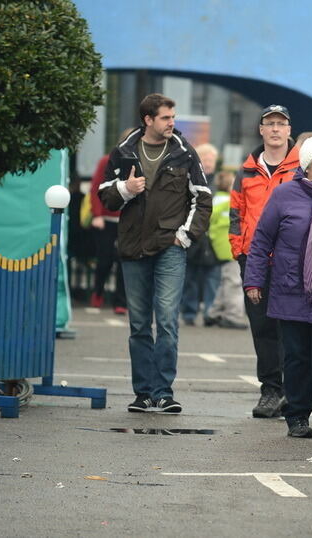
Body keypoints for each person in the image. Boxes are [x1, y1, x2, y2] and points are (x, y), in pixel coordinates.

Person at [98, 93, 212, 414]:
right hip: (133, 246)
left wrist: (184, 236)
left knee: (166, 320)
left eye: (173, 117)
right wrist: (125, 189)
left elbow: (202, 197)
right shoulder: (123, 152)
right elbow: (103, 195)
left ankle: (163, 391)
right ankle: (143, 392)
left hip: (169, 247)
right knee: (138, 324)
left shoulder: (184, 152)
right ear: (148, 119)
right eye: (165, 118)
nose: (171, 123)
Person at [243, 137, 312, 439]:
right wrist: (253, 280)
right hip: (290, 290)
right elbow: (261, 241)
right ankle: (297, 418)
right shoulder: (284, 195)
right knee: (295, 357)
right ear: (306, 166)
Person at [231, 104, 301, 418]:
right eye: (269, 123)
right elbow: (235, 213)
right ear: (261, 129)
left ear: (289, 130)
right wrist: (238, 249)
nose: (275, 129)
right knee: (262, 327)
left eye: (280, 124)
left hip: (291, 260)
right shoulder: (246, 170)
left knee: (290, 327)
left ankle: (293, 391)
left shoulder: (303, 167)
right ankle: (270, 390)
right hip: (254, 259)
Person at [180, 143, 222, 326]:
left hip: (214, 238)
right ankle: (189, 313)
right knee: (191, 277)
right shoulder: (192, 180)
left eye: (212, 159)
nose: (209, 162)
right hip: (195, 234)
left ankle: (209, 312)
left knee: (212, 277)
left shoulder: (221, 181)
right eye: (205, 159)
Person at [205, 169, 248, 329]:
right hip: (231, 247)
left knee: (225, 280)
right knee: (234, 282)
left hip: (219, 247)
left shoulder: (216, 200)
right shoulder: (229, 201)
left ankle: (213, 313)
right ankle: (233, 315)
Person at [89, 152, 127, 314]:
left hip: (127, 220)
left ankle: (121, 302)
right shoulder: (107, 160)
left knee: (125, 261)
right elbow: (96, 187)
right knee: (104, 260)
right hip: (106, 218)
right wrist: (97, 215)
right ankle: (98, 292)